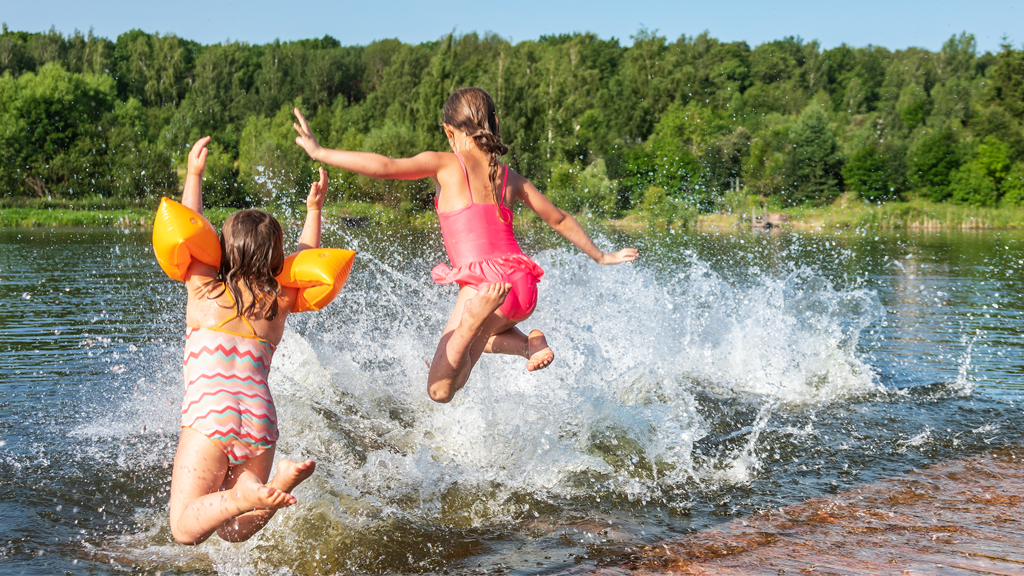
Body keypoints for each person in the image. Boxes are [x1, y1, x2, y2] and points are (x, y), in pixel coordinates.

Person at [292, 87, 637, 403]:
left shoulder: (446, 163)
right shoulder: (509, 175)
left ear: (448, 131)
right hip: (523, 285)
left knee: (440, 389)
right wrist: (602, 256)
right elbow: (559, 218)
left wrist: (319, 151)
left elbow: (385, 167)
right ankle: (527, 343)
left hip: (484, 287)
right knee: (484, 340)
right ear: (494, 123)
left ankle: (470, 326)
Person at [168, 136, 321, 544]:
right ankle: (277, 485)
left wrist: (194, 174)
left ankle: (243, 497)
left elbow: (189, 225)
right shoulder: (278, 304)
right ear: (275, 258)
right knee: (235, 534)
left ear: (223, 250)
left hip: (211, 413)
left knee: (184, 528)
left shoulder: (203, 290)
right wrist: (313, 210)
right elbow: (305, 259)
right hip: (259, 416)